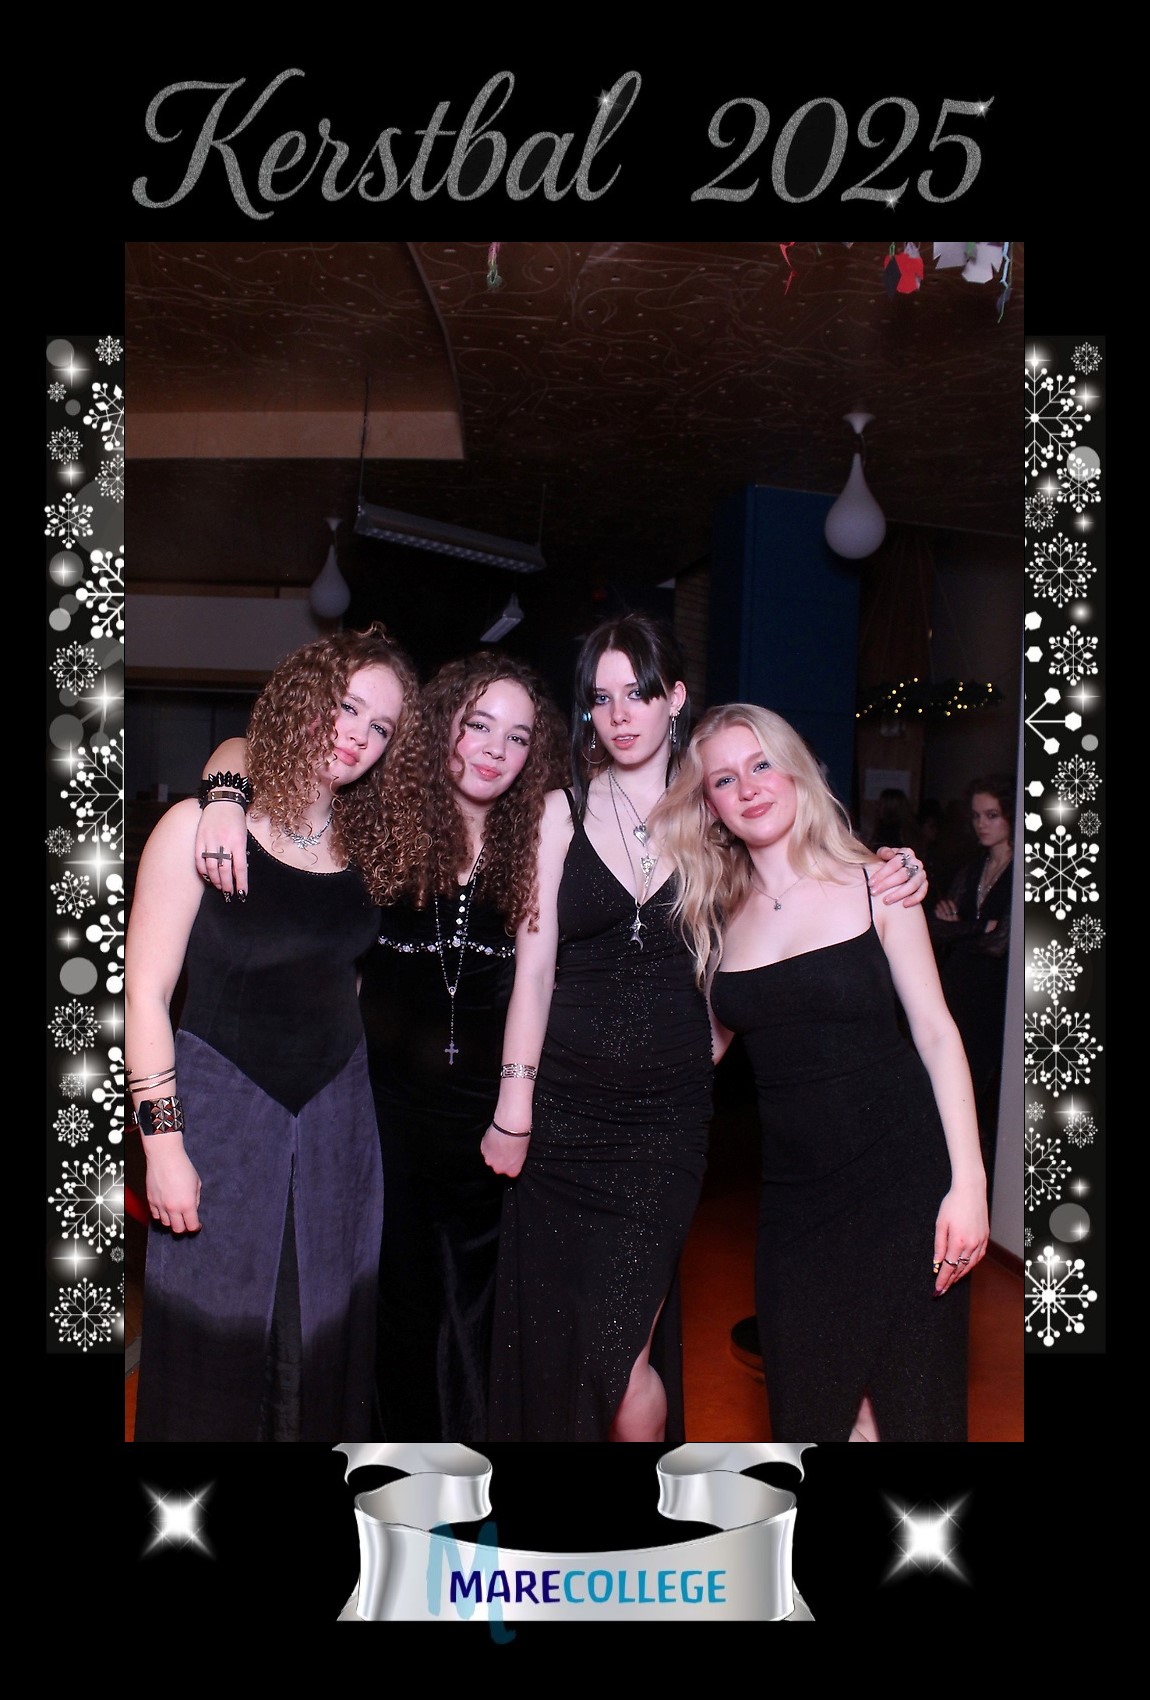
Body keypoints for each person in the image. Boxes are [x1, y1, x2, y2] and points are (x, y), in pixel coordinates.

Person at [482, 615, 929, 1443]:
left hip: (664, 1130)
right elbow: (533, 972)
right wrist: (516, 1106)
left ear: (675, 697)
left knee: (618, 1359)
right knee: (555, 1345)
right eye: (602, 698)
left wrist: (890, 867)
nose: (621, 714)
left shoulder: (715, 818)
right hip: (562, 1120)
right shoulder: (557, 814)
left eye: (639, 693)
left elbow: (800, 876)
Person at [194, 652, 568, 1440]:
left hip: (487, 1118)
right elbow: (255, 748)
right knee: (387, 1307)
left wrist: (515, 1107)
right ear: (440, 729)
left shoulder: (539, 836)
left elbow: (537, 980)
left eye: (518, 737)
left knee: (480, 1312)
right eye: (478, 725)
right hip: (376, 1110)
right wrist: (224, 797)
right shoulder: (383, 819)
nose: (495, 749)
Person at [660, 703, 988, 1443]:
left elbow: (937, 1035)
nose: (748, 787)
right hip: (797, 1210)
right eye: (723, 779)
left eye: (761, 764)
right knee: (811, 1416)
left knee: (914, 1414)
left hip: (907, 1189)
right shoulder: (715, 919)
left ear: (796, 772)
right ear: (709, 806)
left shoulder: (879, 882)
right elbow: (695, 1058)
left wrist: (969, 1185)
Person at [127, 623, 419, 1441]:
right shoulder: (199, 825)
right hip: (222, 1125)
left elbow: (345, 985)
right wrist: (163, 1148)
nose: (358, 735)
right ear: (305, 699)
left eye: (380, 726)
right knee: (214, 1350)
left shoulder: (368, 849)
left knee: (316, 1346)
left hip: (337, 1131)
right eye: (347, 707)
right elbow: (144, 996)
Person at [931, 775, 1015, 1199]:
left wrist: (962, 927)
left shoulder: (1026, 872)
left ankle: (985, 1193)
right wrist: (979, 927)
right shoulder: (973, 867)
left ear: (1012, 816)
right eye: (977, 816)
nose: (982, 824)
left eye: (992, 815)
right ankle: (954, 1186)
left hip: (994, 1000)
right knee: (951, 1090)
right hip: (957, 991)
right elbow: (937, 929)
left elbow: (1003, 944)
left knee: (981, 1095)